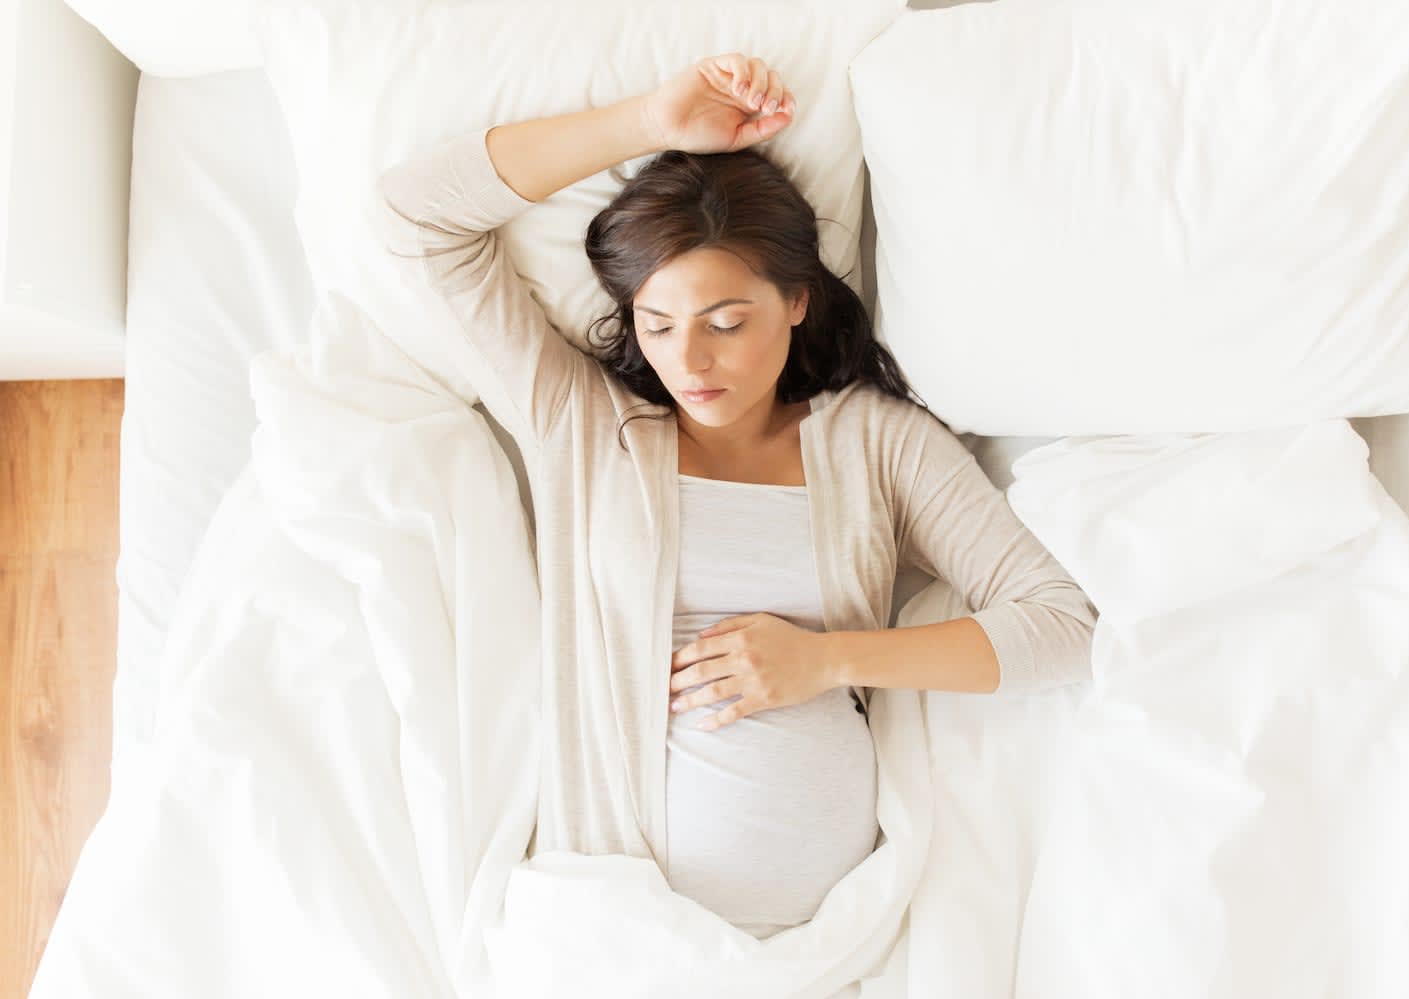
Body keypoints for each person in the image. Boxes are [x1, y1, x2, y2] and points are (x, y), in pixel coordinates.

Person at [377, 53, 1097, 941]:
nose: (692, 361)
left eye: (726, 323)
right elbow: (417, 216)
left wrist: (828, 661)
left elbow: (1065, 624)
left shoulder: (876, 445)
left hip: (834, 943)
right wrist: (649, 121)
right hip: (617, 925)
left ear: (795, 300)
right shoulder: (586, 429)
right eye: (658, 324)